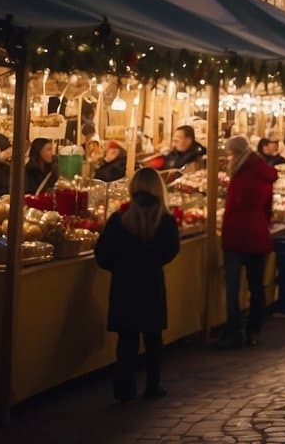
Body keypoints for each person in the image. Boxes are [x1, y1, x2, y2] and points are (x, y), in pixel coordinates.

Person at [93, 169, 180, 402]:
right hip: (151, 284)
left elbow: (102, 254)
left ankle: (124, 389)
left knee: (127, 340)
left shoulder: (119, 220)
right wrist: (153, 262)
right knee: (153, 338)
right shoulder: (165, 221)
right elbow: (172, 250)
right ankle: (153, 385)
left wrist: (119, 268)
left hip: (124, 286)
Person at [218, 136, 276, 349]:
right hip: (258, 233)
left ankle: (234, 331)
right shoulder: (263, 173)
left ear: (237, 153)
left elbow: (233, 208)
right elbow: (268, 207)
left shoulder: (241, 175)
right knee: (256, 286)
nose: (228, 158)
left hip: (237, 234)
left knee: (233, 288)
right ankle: (254, 330)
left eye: (230, 154)